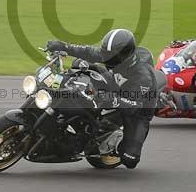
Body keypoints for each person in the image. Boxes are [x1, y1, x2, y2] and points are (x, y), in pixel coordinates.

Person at [46, 28, 158, 168]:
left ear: (126, 55)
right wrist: (63, 46)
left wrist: (110, 98)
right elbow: (89, 52)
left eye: (113, 56)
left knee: (130, 159)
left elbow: (133, 106)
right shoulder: (114, 56)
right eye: (107, 54)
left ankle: (115, 140)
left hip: (138, 110)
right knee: (80, 64)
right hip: (116, 85)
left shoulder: (143, 77)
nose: (108, 59)